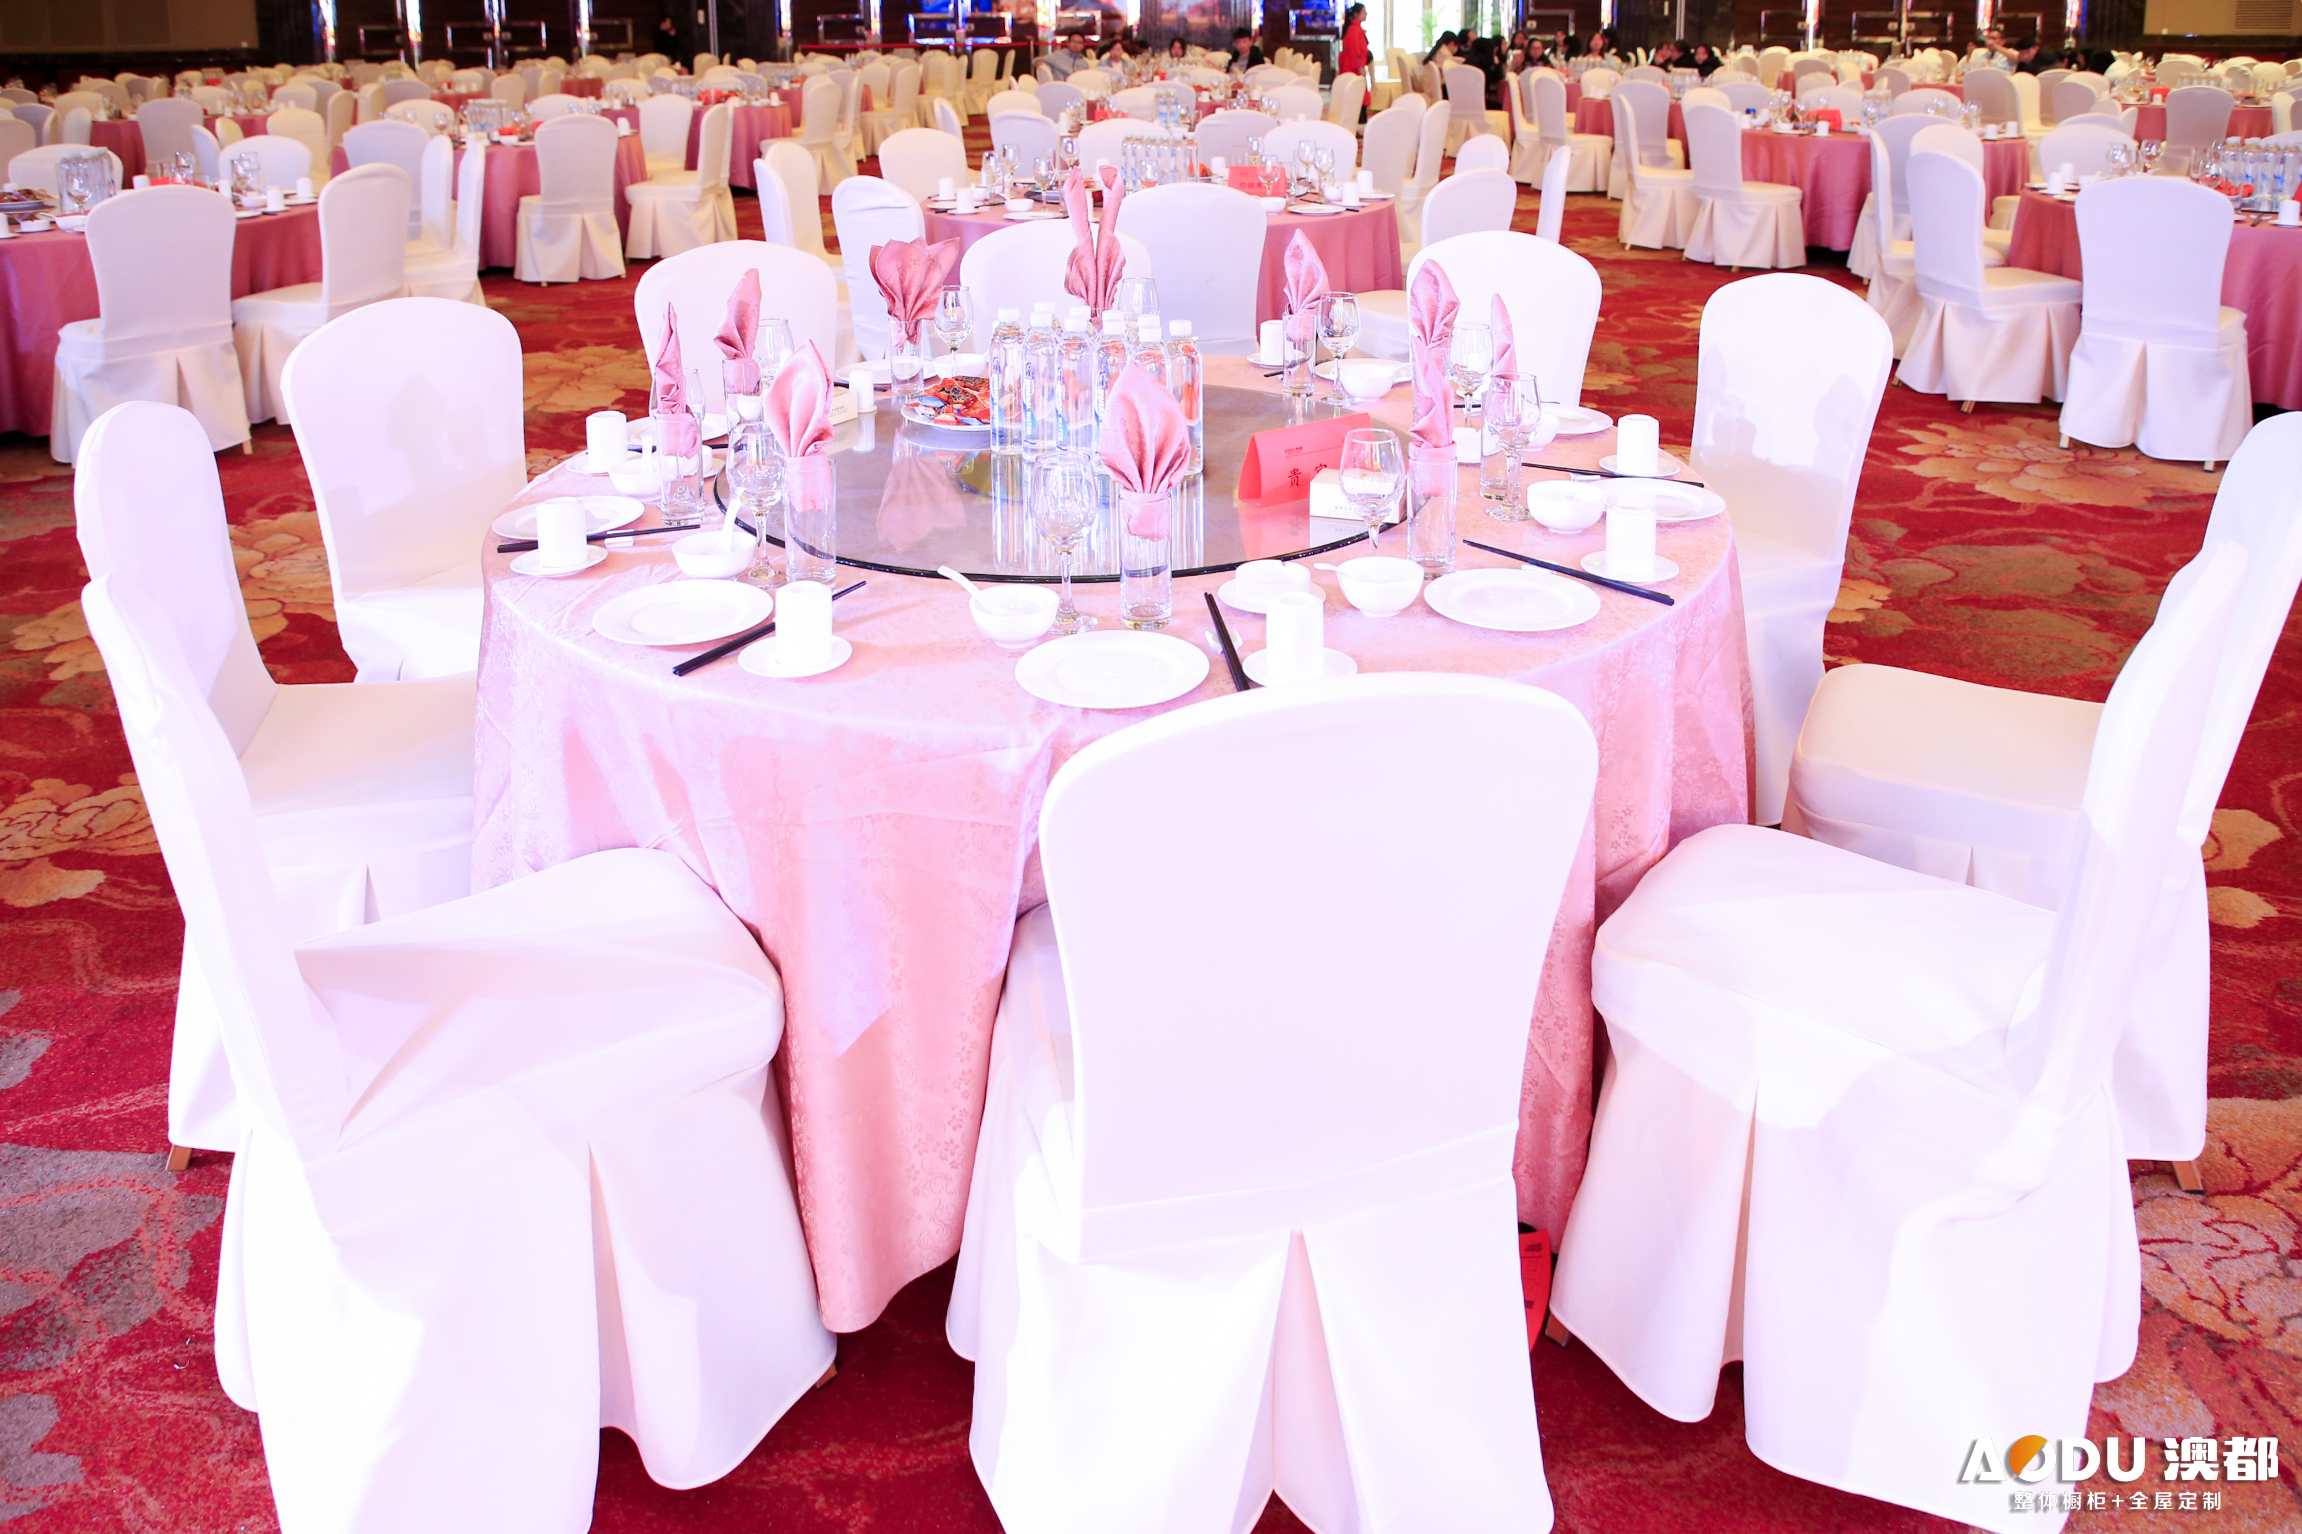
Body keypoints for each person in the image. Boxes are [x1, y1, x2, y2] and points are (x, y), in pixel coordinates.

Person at [1337, 3, 1370, 78]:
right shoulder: (1354, 30)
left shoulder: (1355, 29)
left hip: (1353, 67)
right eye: (1364, 12)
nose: (1366, 14)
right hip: (1353, 69)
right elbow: (1355, 51)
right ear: (1356, 14)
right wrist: (1360, 66)